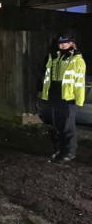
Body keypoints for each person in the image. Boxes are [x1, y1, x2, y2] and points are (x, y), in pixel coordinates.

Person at [40, 35, 86, 163]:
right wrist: (44, 94)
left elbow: (79, 81)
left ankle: (69, 153)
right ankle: (59, 150)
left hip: (68, 97)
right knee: (55, 125)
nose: (63, 45)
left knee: (67, 126)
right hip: (53, 95)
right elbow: (47, 78)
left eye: (66, 43)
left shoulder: (77, 59)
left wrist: (78, 99)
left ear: (72, 43)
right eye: (61, 43)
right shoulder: (54, 57)